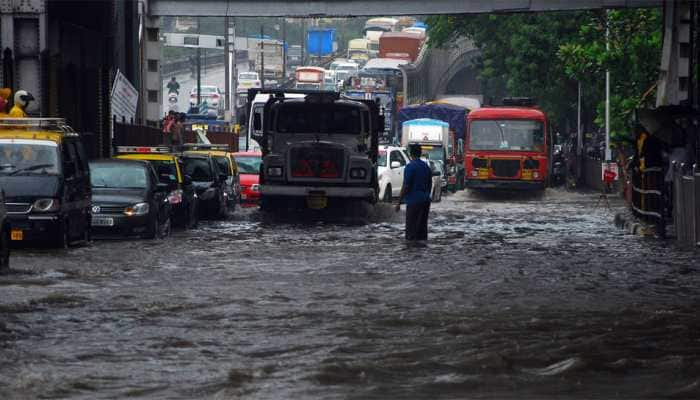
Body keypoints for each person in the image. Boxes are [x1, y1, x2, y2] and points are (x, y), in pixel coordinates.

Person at [395, 144, 433, 241]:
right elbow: (429, 184)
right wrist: (426, 196)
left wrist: (399, 202)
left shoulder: (410, 167)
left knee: (411, 232)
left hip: (413, 202)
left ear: (411, 154)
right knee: (422, 230)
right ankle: (422, 252)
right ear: (420, 153)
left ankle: (411, 253)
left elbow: (406, 185)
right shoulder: (426, 167)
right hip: (425, 201)